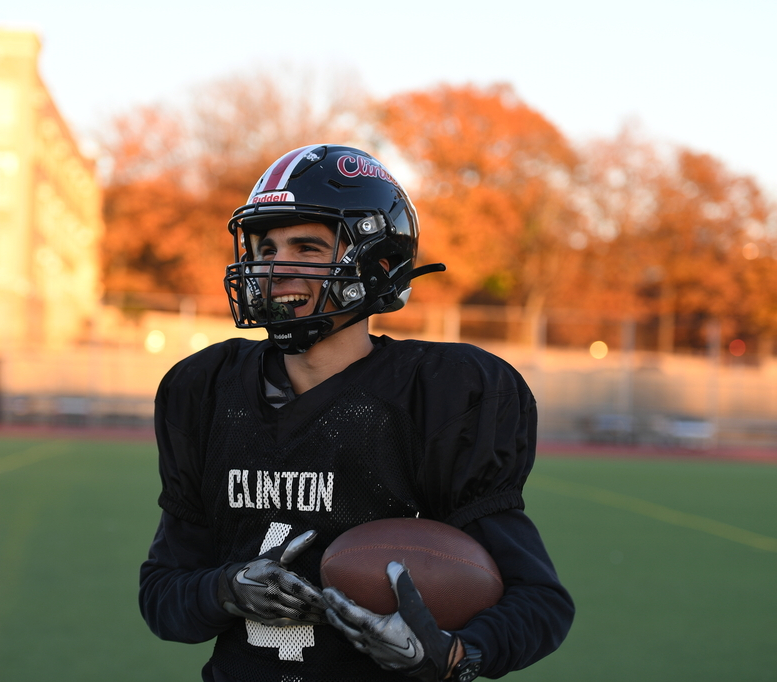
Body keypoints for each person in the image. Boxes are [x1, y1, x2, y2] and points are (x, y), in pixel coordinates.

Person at [140, 144, 574, 682]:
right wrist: (226, 589)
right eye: (264, 246)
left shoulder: (436, 395)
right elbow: (163, 598)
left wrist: (450, 654)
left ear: (376, 262)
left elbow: (540, 602)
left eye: (306, 246)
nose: (275, 267)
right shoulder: (205, 391)